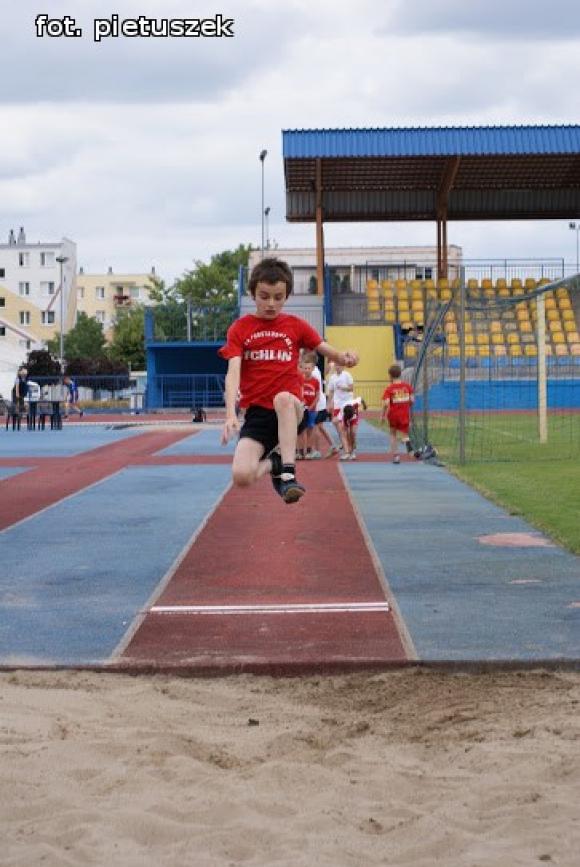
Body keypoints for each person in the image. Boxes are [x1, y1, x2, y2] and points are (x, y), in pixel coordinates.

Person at [219, 257, 358, 504]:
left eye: (278, 297)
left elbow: (327, 350)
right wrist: (230, 413)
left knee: (282, 398)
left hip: (291, 410)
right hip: (258, 416)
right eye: (264, 296)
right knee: (241, 476)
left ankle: (288, 474)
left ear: (286, 296)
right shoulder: (240, 329)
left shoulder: (295, 325)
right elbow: (233, 372)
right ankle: (274, 463)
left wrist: (344, 357)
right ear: (252, 294)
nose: (271, 303)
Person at [381, 363, 415, 464]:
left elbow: (386, 403)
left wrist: (382, 415)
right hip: (404, 413)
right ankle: (407, 442)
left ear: (390, 376)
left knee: (393, 434)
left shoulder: (389, 389)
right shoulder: (407, 387)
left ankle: (396, 456)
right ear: (400, 374)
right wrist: (406, 403)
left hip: (393, 415)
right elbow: (412, 400)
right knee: (404, 433)